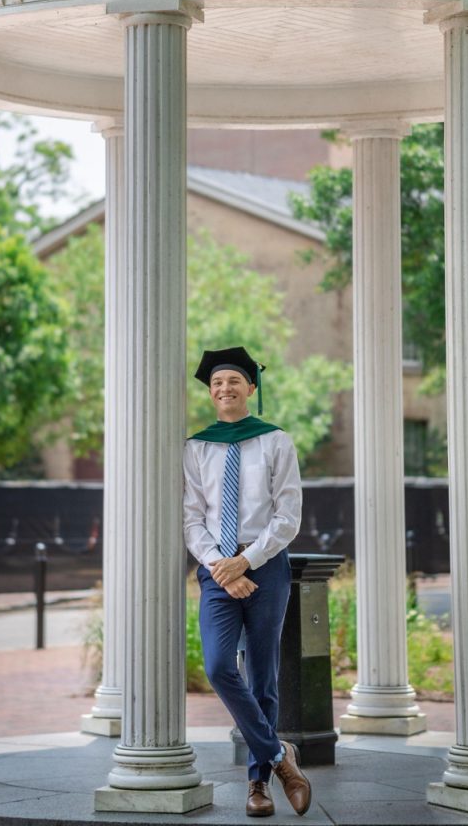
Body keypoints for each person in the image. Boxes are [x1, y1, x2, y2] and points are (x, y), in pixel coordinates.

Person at [183, 346, 312, 818]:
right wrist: (223, 565)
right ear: (211, 393)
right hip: (218, 567)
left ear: (251, 388)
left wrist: (249, 560)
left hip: (267, 564)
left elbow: (288, 516)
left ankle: (257, 785)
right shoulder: (197, 446)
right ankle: (281, 758)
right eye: (217, 384)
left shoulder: (276, 441)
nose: (224, 389)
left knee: (263, 675)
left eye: (234, 381)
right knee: (219, 665)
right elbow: (193, 518)